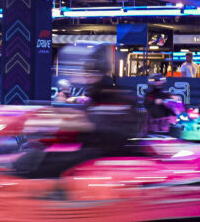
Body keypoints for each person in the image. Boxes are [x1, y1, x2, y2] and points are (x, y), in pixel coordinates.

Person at [15, 44, 140, 178]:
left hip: (100, 156)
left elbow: (93, 125)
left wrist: (58, 122)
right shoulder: (99, 93)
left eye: (89, 72)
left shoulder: (113, 95)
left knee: (31, 162)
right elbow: (85, 117)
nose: (85, 77)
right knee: (32, 150)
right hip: (91, 149)